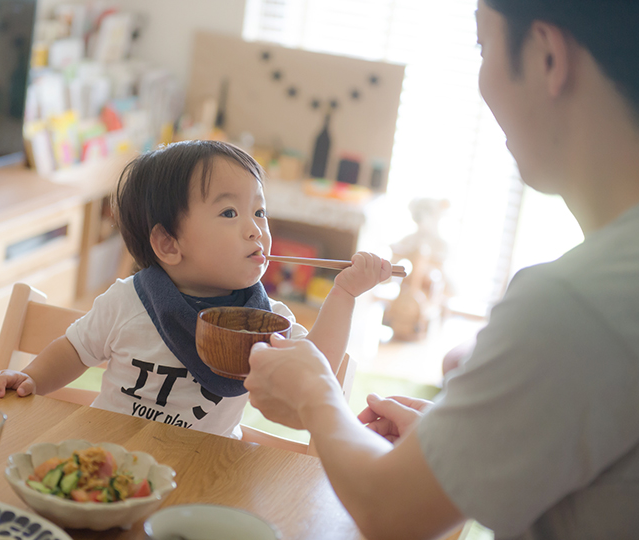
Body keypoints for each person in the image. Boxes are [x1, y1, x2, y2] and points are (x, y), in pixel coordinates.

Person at [244, 0, 639, 538]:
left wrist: (316, 390)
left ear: (548, 56)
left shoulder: (577, 301)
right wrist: (468, 443)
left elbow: (390, 512)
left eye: (483, 45)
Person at [0, 139, 392, 438]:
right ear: (169, 244)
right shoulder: (127, 301)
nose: (256, 229)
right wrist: (28, 380)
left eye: (259, 210)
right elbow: (74, 350)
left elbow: (313, 371)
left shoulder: (267, 323)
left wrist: (344, 295)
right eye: (230, 212)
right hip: (108, 454)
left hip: (205, 473)